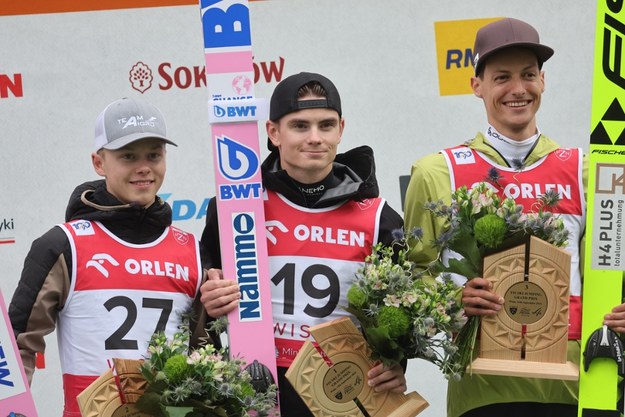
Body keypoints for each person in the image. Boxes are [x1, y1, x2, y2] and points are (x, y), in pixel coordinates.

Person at [404, 17, 595, 417]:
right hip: (481, 390)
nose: (518, 89)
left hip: (573, 388)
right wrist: (450, 300)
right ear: (477, 85)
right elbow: (411, 274)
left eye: (528, 75)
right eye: (502, 77)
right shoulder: (437, 171)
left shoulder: (583, 171)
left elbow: (605, 272)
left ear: (543, 80)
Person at [199, 72, 406, 416]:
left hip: (346, 393)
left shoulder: (379, 217)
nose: (315, 138)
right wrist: (210, 299)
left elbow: (399, 315)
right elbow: (202, 305)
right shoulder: (234, 210)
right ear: (273, 132)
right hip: (259, 397)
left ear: (341, 129)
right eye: (300, 126)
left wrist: (396, 364)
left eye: (325, 125)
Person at [8, 97, 208, 417]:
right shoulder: (63, 245)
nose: (144, 167)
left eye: (153, 155)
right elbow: (16, 346)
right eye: (128, 156)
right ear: (99, 163)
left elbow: (205, 357)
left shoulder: (192, 250)